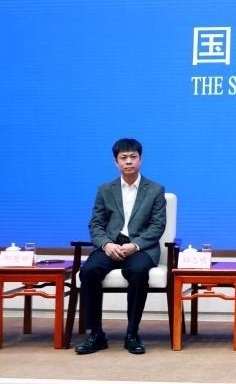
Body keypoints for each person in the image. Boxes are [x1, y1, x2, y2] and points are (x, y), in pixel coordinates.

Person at [74, 138, 167, 355]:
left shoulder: (155, 190)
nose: (129, 162)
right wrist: (106, 244)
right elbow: (96, 224)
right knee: (88, 271)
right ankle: (96, 334)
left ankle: (132, 333)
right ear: (116, 162)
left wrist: (135, 245)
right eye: (123, 158)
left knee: (138, 271)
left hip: (141, 248)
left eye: (133, 157)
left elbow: (157, 226)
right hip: (110, 246)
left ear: (141, 159)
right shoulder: (105, 189)